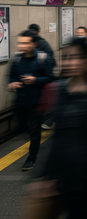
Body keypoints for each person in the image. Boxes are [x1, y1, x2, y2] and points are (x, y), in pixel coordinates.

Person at [25, 38, 87, 218]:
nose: (70, 62)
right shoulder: (61, 90)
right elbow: (57, 136)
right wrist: (45, 175)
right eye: (66, 57)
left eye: (76, 57)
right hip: (64, 176)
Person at [8, 30, 53, 170]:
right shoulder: (17, 59)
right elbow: (11, 76)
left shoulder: (42, 58)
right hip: (21, 102)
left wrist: (35, 80)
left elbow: (50, 77)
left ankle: (31, 158)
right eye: (20, 43)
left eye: (25, 43)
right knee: (25, 128)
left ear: (33, 44)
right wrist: (12, 83)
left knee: (34, 131)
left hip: (37, 102)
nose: (21, 46)